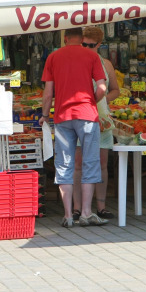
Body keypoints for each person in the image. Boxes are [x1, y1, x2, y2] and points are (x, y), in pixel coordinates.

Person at [41, 28, 108, 227]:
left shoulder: (53, 57)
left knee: (64, 165)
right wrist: (91, 101)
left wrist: (45, 116)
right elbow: (102, 87)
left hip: (62, 117)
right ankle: (87, 213)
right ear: (81, 39)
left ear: (65, 38)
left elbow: (48, 93)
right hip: (88, 116)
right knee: (90, 162)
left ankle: (69, 215)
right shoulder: (92, 56)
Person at [72, 25, 120, 220]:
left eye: (91, 45)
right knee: (78, 163)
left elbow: (116, 90)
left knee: (101, 163)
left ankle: (101, 206)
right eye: (83, 44)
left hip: (102, 120)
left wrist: (102, 102)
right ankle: (77, 207)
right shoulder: (73, 62)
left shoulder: (106, 64)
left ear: (99, 44)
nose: (87, 48)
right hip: (79, 117)